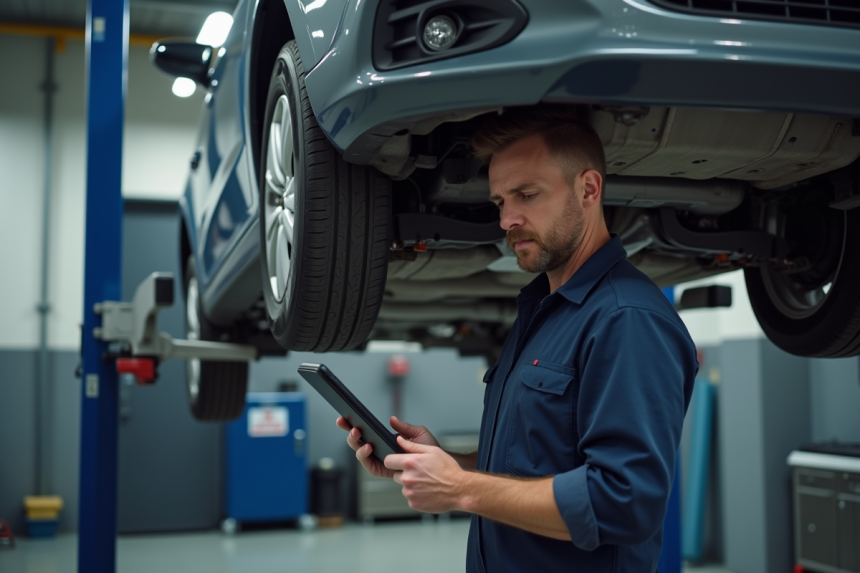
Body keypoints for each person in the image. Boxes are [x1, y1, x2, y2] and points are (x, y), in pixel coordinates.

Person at [337, 105, 697, 572]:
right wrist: (444, 463)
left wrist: (460, 489)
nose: (507, 219)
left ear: (588, 189)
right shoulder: (543, 312)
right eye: (499, 202)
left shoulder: (627, 319)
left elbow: (624, 503)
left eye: (526, 194)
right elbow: (528, 468)